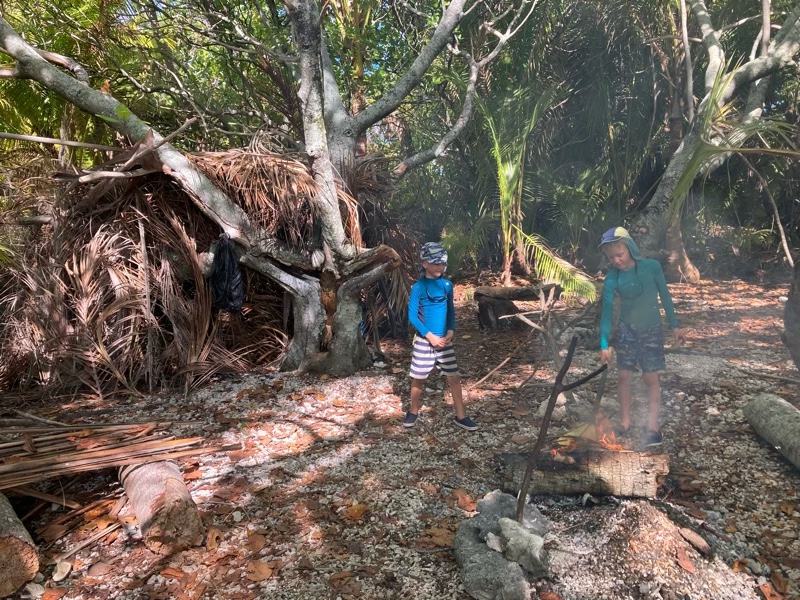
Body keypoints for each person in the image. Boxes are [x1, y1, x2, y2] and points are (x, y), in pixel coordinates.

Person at [598, 227, 686, 447]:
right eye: (612, 257)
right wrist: (604, 344)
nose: (617, 260)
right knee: (623, 376)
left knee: (650, 377)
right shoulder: (612, 278)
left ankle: (653, 428)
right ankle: (625, 423)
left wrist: (674, 326)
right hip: (626, 329)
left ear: (630, 248)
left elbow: (665, 296)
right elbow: (606, 311)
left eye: (620, 254)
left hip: (651, 328)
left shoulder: (651, 267)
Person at [403, 242, 478, 431]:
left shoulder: (447, 285)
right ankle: (413, 411)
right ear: (424, 264)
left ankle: (461, 415)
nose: (440, 267)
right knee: (419, 378)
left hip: (444, 341)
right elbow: (412, 316)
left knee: (453, 377)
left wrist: (451, 330)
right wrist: (429, 336)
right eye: (435, 263)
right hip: (424, 341)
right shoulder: (418, 287)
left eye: (442, 263)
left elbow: (450, 311)